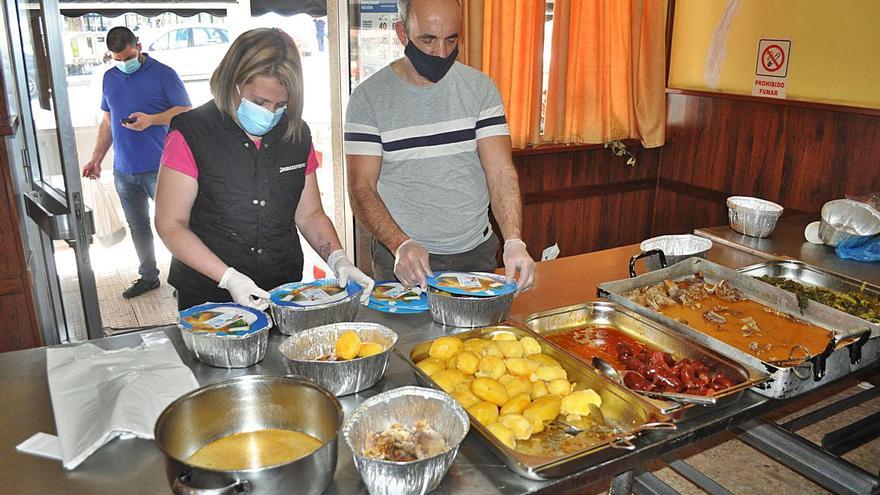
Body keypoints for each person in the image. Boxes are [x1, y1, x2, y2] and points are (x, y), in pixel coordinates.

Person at [155, 28, 373, 310]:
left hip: (282, 292)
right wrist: (229, 278)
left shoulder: (295, 134)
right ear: (233, 82)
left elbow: (309, 215)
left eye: (280, 105)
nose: (269, 113)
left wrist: (339, 259)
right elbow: (170, 224)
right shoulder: (192, 132)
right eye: (259, 102)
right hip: (210, 298)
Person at [344, 0, 536, 290]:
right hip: (402, 258)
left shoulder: (480, 89)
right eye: (428, 39)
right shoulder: (368, 99)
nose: (442, 52)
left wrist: (513, 239)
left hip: (475, 254)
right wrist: (400, 244)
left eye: (451, 39)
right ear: (401, 33)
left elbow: (500, 172)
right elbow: (361, 187)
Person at [81, 26, 192, 299]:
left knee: (174, 226)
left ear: (138, 46)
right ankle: (148, 277)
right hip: (124, 170)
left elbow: (186, 110)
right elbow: (108, 121)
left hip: (161, 168)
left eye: (127, 57)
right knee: (138, 227)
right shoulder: (109, 78)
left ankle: (186, 279)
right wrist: (96, 159)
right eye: (116, 59)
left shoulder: (164, 74)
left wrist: (152, 120)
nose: (122, 63)